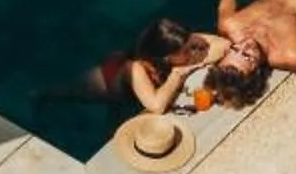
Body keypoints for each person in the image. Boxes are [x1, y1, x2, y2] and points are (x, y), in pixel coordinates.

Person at [83, 18, 231, 113]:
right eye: (186, 51)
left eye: (191, 47)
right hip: (104, 83)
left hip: (134, 83)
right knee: (70, 93)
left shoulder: (180, 41)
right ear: (166, 58)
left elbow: (225, 45)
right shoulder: (135, 68)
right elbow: (156, 106)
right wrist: (177, 74)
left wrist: (197, 61)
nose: (193, 53)